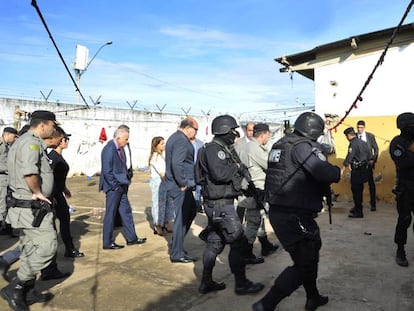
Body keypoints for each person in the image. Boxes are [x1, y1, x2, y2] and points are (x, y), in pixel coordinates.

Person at [252, 112, 341, 311]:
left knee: (309, 253)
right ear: (315, 131)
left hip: (281, 210)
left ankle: (313, 297)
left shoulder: (282, 144)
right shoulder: (302, 146)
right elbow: (322, 171)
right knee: (305, 262)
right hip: (294, 213)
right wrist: (337, 171)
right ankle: (266, 304)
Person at [196, 114, 264, 295]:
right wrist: (238, 170)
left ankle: (206, 281)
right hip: (220, 205)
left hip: (218, 204)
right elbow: (220, 174)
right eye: (232, 131)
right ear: (224, 130)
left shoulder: (219, 148)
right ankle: (241, 284)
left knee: (215, 242)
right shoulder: (215, 150)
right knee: (238, 242)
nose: (235, 134)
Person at [1, 110, 60, 310]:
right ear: (43, 125)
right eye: (53, 125)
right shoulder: (31, 142)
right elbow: (29, 171)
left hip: (25, 208)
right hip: (32, 207)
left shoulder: (24, 141)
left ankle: (27, 291)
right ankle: (16, 288)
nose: (54, 129)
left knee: (30, 248)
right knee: (47, 247)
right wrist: (37, 192)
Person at [99, 126, 146, 250]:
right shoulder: (109, 149)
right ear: (118, 137)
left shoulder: (120, 148)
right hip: (113, 187)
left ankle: (132, 238)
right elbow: (107, 170)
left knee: (126, 212)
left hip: (122, 185)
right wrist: (114, 186)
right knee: (111, 214)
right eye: (125, 139)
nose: (127, 141)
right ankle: (107, 242)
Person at [237, 123, 279, 264]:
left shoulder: (248, 146)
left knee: (258, 219)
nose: (269, 137)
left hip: (251, 189)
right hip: (255, 190)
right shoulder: (255, 148)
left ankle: (265, 246)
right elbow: (270, 166)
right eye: (269, 134)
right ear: (263, 134)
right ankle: (246, 252)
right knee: (254, 222)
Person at [165, 117, 198, 263]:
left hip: (182, 185)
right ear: (188, 127)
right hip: (180, 186)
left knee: (191, 211)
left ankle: (176, 244)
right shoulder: (180, 140)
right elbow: (176, 163)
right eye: (195, 130)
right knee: (181, 219)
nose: (195, 134)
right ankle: (177, 253)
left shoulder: (176, 137)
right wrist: (183, 182)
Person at [47, 127, 84, 258]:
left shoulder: (57, 156)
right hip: (54, 194)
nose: (66, 141)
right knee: (62, 219)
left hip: (58, 192)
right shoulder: (52, 157)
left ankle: (68, 248)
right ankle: (68, 249)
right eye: (64, 139)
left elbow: (59, 177)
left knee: (62, 219)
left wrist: (65, 189)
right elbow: (49, 177)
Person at [389, 112, 414, 267]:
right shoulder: (397, 142)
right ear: (403, 127)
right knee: (404, 220)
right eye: (411, 126)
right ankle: (400, 250)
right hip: (406, 187)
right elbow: (403, 162)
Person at [341, 127, 373, 218]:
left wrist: (343, 168)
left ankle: (359, 212)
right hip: (363, 169)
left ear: (348, 135)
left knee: (356, 191)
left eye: (346, 136)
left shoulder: (353, 144)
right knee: (360, 189)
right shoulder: (363, 143)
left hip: (357, 171)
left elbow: (349, 157)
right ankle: (357, 207)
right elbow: (370, 156)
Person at [149, 136, 173, 236]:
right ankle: (158, 224)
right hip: (158, 182)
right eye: (162, 143)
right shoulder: (155, 157)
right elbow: (162, 173)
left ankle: (166, 222)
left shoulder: (162, 156)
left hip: (165, 182)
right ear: (156, 145)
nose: (164, 145)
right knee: (158, 204)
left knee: (167, 203)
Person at [356, 120, 379, 211]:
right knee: (359, 185)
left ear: (364, 127)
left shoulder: (370, 136)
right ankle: (359, 204)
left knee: (371, 185)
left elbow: (376, 148)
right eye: (358, 127)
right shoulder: (355, 137)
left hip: (368, 163)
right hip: (358, 164)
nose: (359, 129)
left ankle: (373, 204)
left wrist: (373, 159)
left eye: (361, 127)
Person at [0, 127, 18, 235]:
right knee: (1, 205)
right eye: (14, 136)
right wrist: (6, 168)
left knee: (8, 203)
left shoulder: (7, 145)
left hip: (7, 180)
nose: (15, 139)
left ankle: (6, 227)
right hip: (1, 179)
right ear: (7, 134)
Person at [191, 137, 205, 213]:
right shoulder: (185, 143)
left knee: (198, 189)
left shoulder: (200, 143)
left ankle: (198, 206)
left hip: (199, 169)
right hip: (189, 169)